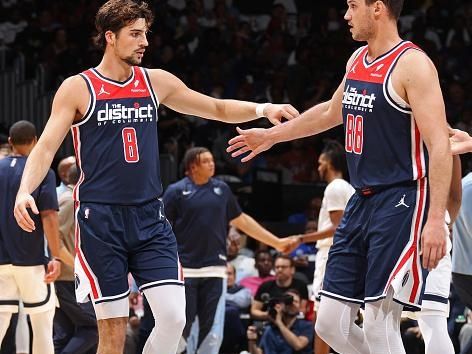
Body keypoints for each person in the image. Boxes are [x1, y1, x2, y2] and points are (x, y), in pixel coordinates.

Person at [12, 1, 299, 353]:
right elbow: (44, 149)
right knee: (113, 337)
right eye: (134, 34)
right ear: (110, 38)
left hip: (149, 217)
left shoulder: (155, 81)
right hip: (102, 220)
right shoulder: (79, 88)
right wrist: (25, 190)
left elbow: (216, 107)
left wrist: (263, 109)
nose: (144, 41)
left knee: (174, 317)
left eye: (145, 33)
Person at [227, 0, 452, 352]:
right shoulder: (357, 60)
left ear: (377, 8)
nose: (345, 15)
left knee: (380, 322)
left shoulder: (413, 65)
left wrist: (436, 219)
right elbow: (333, 111)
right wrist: (271, 136)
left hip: (401, 198)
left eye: (352, 6)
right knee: (330, 325)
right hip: (361, 200)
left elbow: (440, 145)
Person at [162, 147, 298, 354]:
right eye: (205, 161)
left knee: (212, 329)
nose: (212, 163)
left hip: (215, 270)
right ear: (192, 166)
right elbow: (161, 228)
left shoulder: (222, 190)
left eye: (211, 160)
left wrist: (276, 242)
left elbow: (242, 221)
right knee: (183, 325)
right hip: (184, 270)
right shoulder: (175, 192)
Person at [0, 120, 61, 354]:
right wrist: (56, 256)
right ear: (35, 141)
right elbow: (49, 216)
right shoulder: (42, 170)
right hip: (31, 260)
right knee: (43, 325)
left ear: (10, 142)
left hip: (1, 262)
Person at [296, 140, 354, 354]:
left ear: (329, 162)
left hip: (331, 254)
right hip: (341, 255)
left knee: (322, 318)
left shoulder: (336, 187)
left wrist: (301, 238)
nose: (318, 167)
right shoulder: (346, 187)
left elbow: (337, 227)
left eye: (320, 162)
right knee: (335, 320)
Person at [54, 164, 98, 354]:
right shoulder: (70, 200)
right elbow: (54, 237)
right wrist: (77, 266)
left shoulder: (75, 199)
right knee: (93, 328)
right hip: (67, 278)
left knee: (65, 334)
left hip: (67, 277)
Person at [247, 289, 314, 354]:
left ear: (300, 306)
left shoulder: (307, 326)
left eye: (295, 302)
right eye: (288, 301)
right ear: (281, 305)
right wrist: (252, 341)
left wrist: (279, 323)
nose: (292, 304)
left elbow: (298, 345)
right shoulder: (270, 329)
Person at [251, 255, 309, 321]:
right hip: (269, 322)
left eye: (283, 267)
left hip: (293, 323)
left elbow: (302, 311)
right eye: (277, 267)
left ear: (292, 269)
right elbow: (254, 311)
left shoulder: (301, 286)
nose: (280, 270)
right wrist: (270, 315)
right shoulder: (265, 286)